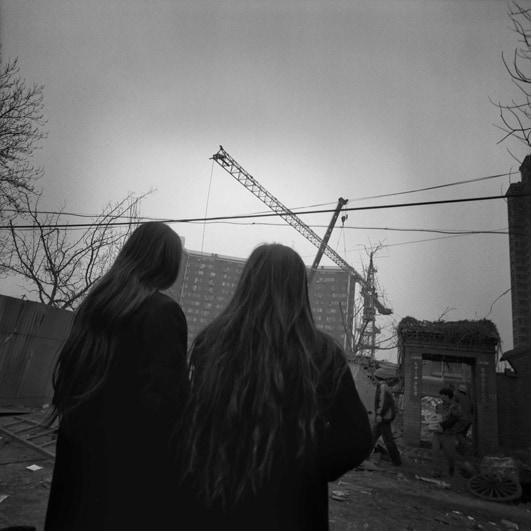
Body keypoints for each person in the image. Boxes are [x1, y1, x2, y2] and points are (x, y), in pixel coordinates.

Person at [177, 243, 372, 531]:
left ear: (247, 282)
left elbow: (191, 422)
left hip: (216, 501)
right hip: (294, 510)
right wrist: (310, 468)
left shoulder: (211, 343)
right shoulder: (323, 353)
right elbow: (357, 438)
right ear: (299, 290)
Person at [44, 222, 188, 531]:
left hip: (76, 463)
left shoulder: (96, 305)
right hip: (125, 475)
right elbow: (164, 406)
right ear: (169, 263)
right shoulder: (162, 312)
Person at [372, 368, 402, 466]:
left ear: (377, 377)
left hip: (384, 418)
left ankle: (397, 461)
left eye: (374, 377)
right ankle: (362, 454)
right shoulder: (384, 386)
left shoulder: (382, 386)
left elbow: (383, 402)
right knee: (373, 436)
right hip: (385, 417)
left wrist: (379, 414)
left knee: (388, 440)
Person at [432, 387, 462, 477]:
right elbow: (435, 417)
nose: (440, 397)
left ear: (447, 396)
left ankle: (451, 467)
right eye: (440, 395)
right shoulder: (439, 406)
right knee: (435, 452)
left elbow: (455, 419)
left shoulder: (455, 407)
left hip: (448, 434)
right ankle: (437, 471)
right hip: (437, 433)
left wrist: (444, 426)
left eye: (442, 395)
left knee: (449, 454)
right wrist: (433, 425)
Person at [453, 383, 473, 454]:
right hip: (469, 420)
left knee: (457, 432)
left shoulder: (456, 395)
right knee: (462, 434)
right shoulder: (468, 397)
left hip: (462, 419)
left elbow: (453, 406)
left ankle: (466, 447)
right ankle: (461, 450)